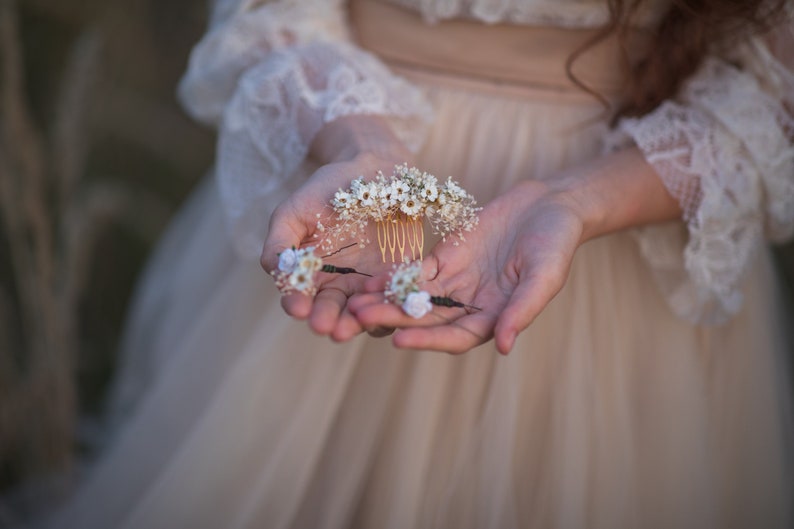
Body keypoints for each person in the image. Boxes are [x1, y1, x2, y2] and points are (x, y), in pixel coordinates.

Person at [50, 0, 793, 528]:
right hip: (359, 204)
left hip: (617, 254)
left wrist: (576, 203)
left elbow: (771, 107)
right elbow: (269, 13)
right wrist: (360, 147)